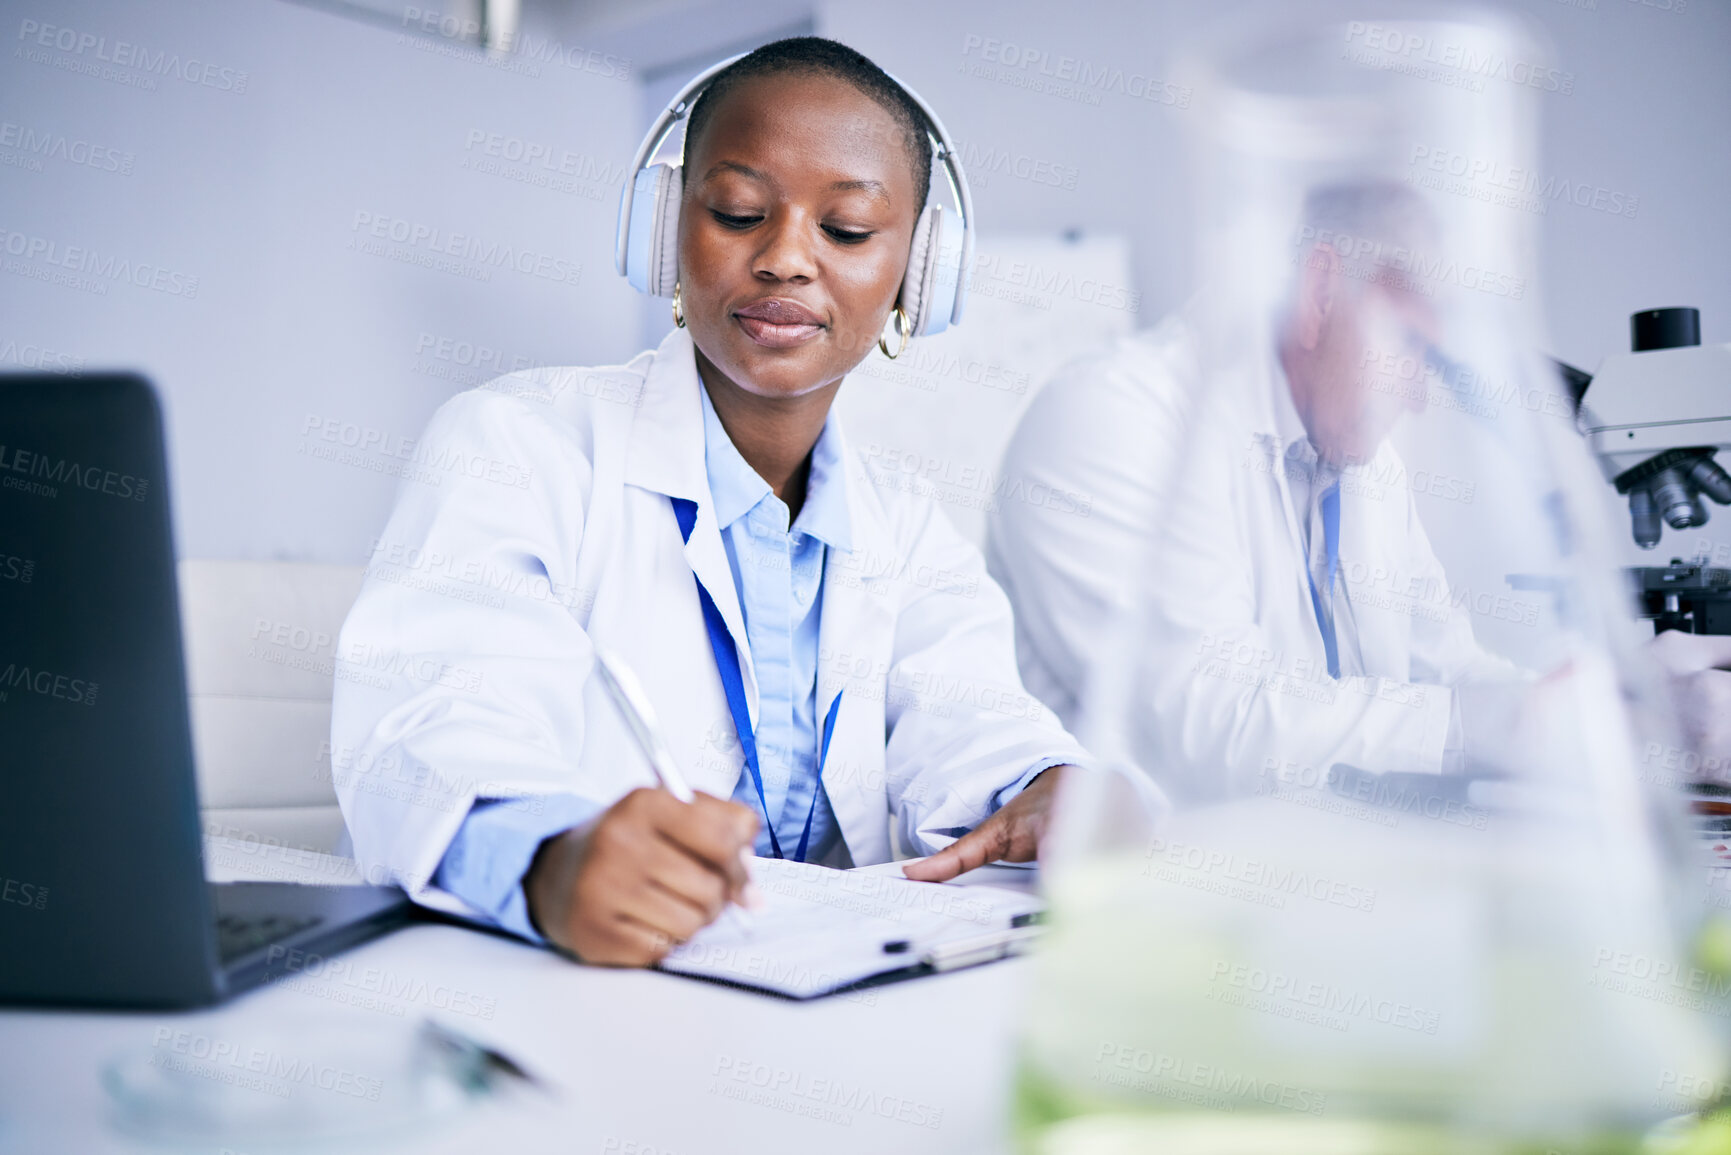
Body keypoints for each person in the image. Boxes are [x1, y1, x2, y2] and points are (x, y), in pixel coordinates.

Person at [331, 38, 1093, 968]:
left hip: (814, 994)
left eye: (846, 230)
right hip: (569, 986)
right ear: (664, 231)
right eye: (737, 212)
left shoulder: (907, 523)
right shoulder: (516, 445)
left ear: (917, 276)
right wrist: (549, 861)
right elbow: (432, 729)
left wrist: (1050, 786)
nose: (784, 259)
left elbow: (972, 723)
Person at [990, 182, 1528, 802]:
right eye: (1410, 345)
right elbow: (1219, 732)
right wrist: (1505, 723)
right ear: (1322, 291)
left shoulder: (1362, 460)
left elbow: (1447, 670)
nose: (1416, 395)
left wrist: (1605, 711)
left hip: (1318, 873)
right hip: (1143, 883)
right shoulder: (1113, 417)